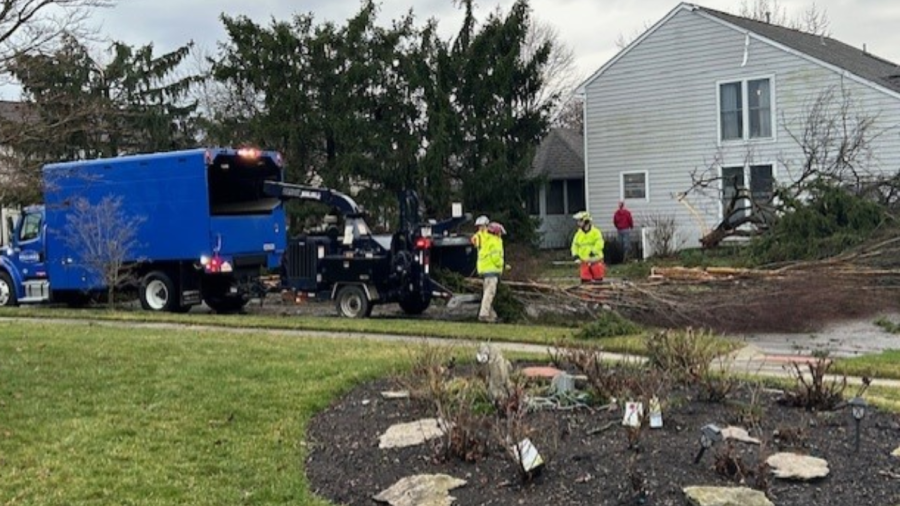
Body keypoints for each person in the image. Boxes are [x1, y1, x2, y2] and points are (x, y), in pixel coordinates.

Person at [477, 221, 505, 323]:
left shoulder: (487, 241)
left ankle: (492, 316)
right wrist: (501, 265)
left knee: (487, 294)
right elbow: (496, 258)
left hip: (486, 272)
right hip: (492, 272)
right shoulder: (496, 242)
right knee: (489, 294)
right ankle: (483, 315)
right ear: (497, 232)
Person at [571, 211, 605, 283]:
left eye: (580, 221)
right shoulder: (578, 234)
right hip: (584, 262)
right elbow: (574, 245)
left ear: (586, 221)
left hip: (595, 260)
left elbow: (600, 243)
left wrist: (593, 252)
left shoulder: (596, 232)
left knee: (598, 282)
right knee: (585, 282)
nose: (578, 223)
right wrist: (575, 256)